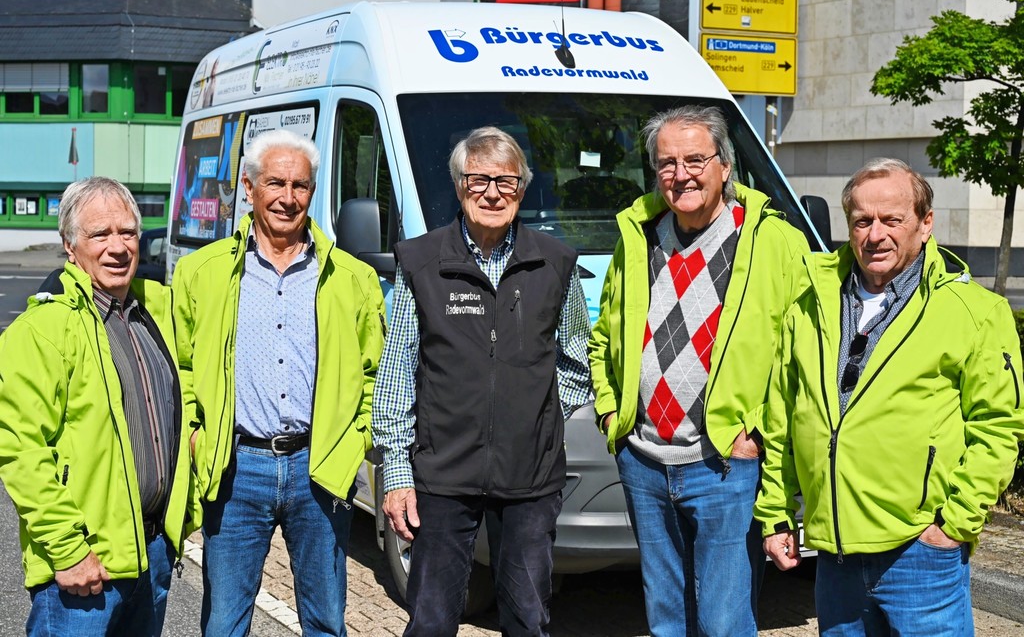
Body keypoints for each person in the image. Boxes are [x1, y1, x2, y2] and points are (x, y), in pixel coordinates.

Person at [757, 158, 1024, 636]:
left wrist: (953, 526)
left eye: (891, 219)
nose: (875, 233)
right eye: (862, 221)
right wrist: (776, 514)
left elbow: (999, 428)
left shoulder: (975, 312)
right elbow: (782, 418)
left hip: (920, 556)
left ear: (925, 224)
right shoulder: (809, 302)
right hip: (835, 561)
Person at [588, 105, 810, 636]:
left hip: (724, 465)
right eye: (666, 163)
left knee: (723, 621)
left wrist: (760, 432)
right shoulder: (638, 237)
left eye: (694, 159)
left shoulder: (772, 242)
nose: (680, 174)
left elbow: (801, 353)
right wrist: (609, 411)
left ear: (725, 165)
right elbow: (604, 336)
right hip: (643, 461)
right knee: (665, 618)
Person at [373, 126, 593, 637]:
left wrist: (534, 421)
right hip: (442, 475)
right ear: (458, 187)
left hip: (529, 482)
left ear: (521, 189)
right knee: (430, 622)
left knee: (527, 619)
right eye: (478, 180)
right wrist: (398, 472)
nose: (492, 192)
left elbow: (576, 362)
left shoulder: (556, 263)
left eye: (507, 182)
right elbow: (397, 372)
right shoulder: (422, 262)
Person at [172, 129, 386, 637]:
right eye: (275, 183)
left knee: (325, 622)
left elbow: (376, 376)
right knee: (224, 623)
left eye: (300, 186)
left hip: (319, 469)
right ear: (249, 189)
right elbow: (178, 368)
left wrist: (353, 443)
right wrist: (198, 434)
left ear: (313, 192)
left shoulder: (351, 278)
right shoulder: (201, 272)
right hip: (236, 469)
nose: (288, 198)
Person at [0, 176, 197, 636]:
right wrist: (67, 550)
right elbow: (20, 450)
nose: (118, 247)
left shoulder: (157, 311)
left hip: (153, 552)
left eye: (127, 232)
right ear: (70, 246)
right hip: (85, 570)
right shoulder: (40, 330)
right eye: (100, 234)